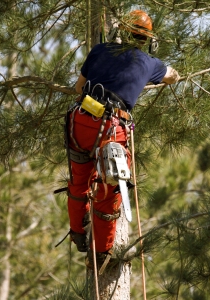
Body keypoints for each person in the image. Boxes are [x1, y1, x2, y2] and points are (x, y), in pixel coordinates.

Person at [66, 10, 180, 269]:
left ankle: (78, 230)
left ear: (123, 31)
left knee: (79, 179)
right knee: (109, 190)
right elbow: (172, 76)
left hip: (81, 120)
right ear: (148, 40)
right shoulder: (150, 63)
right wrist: (171, 75)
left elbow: (77, 88)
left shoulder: (99, 50)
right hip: (110, 127)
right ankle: (100, 254)